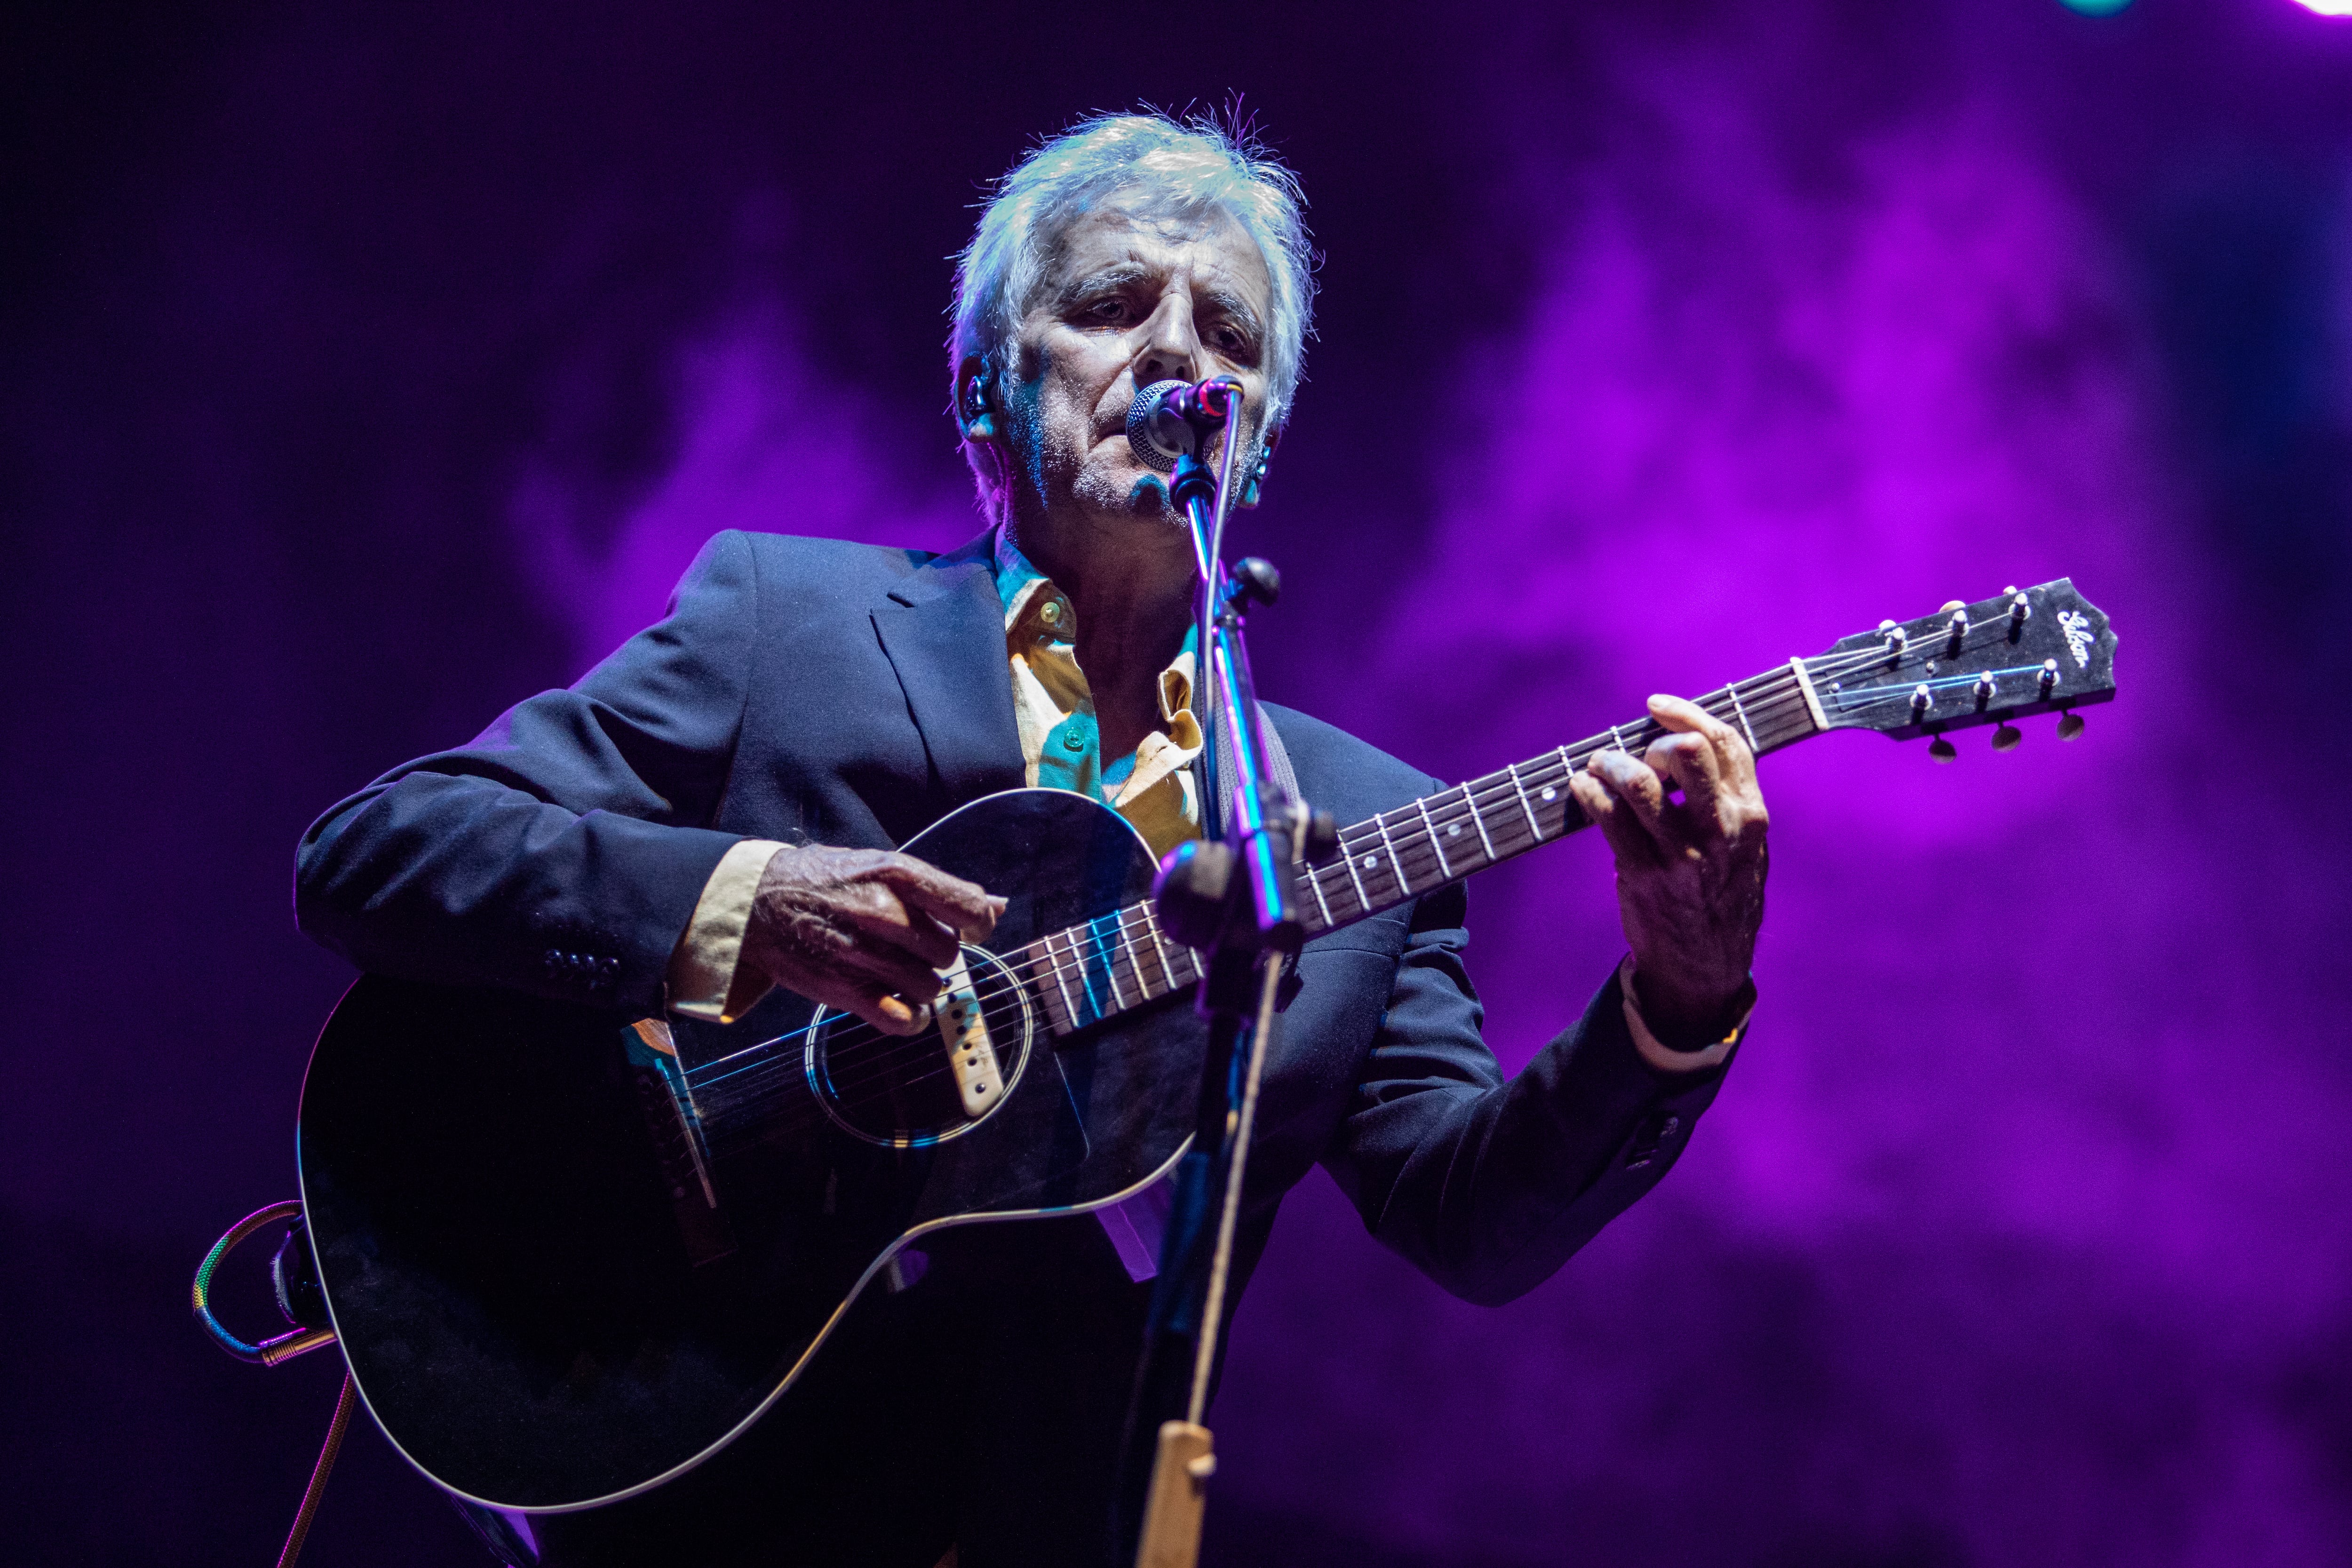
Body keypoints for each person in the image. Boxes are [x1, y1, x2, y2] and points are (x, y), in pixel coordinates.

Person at [295, 113, 1770, 1568]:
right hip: (685, 1458)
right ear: (987, 396)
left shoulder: (1359, 820)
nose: (1185, 356)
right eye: (1115, 308)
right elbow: (380, 851)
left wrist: (1676, 1006)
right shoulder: (784, 626)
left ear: (1258, 445)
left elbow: (1477, 1225)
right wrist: (748, 899)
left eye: (1233, 339)